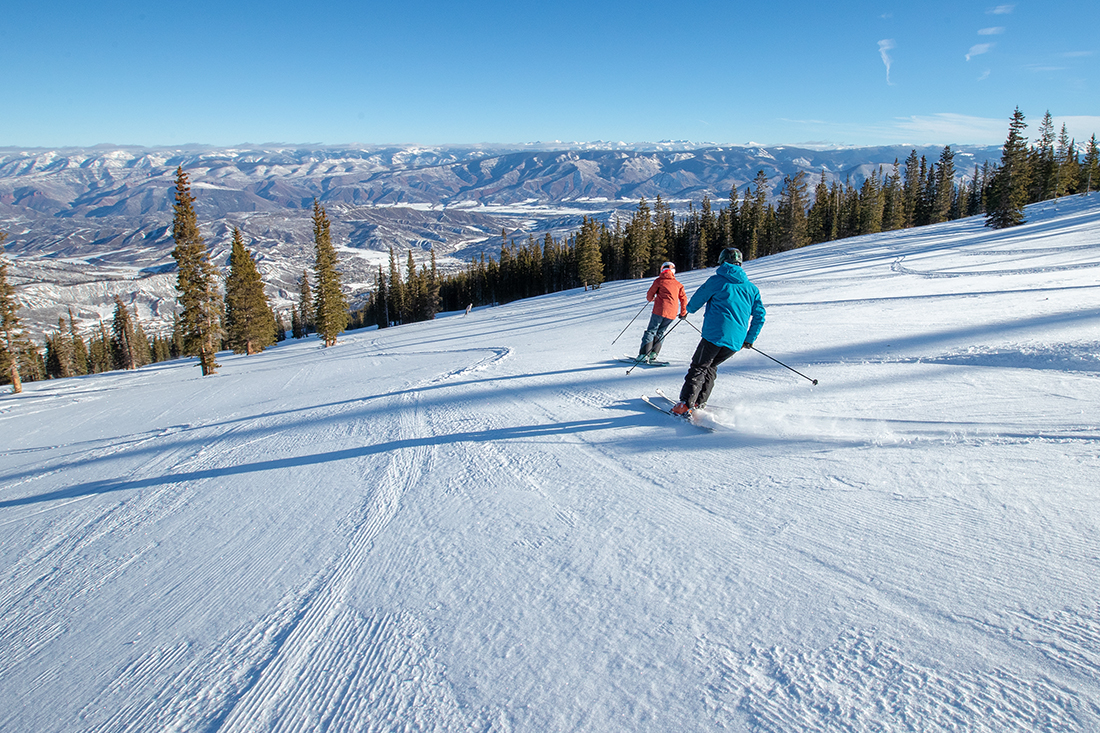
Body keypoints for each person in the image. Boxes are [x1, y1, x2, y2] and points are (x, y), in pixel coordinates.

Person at [672, 248, 765, 417]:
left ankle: (685, 404)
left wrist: (687, 311)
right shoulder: (751, 289)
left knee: (699, 367)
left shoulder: (716, 281)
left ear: (722, 261)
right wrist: (749, 338)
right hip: (735, 341)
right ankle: (700, 401)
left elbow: (695, 302)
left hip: (714, 335)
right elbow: (760, 315)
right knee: (711, 366)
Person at [637, 261, 688, 363]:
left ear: (662, 270)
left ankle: (643, 355)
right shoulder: (678, 285)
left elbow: (649, 296)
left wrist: (652, 299)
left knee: (651, 331)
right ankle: (653, 354)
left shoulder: (659, 281)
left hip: (659, 310)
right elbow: (684, 299)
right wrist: (683, 313)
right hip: (672, 313)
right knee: (660, 332)